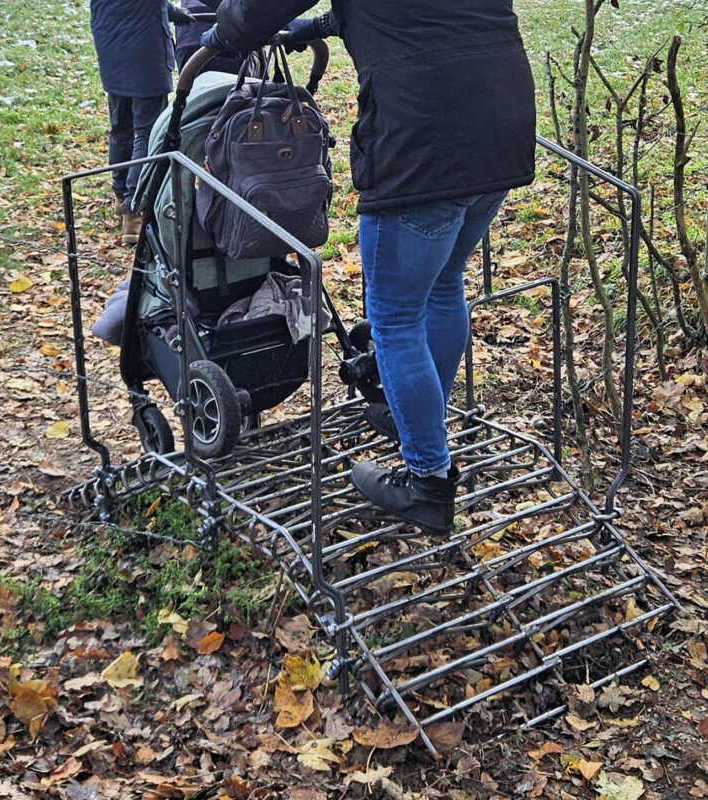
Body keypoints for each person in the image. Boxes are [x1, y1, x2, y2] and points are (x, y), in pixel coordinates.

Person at [203, 2, 536, 533]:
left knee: (397, 318)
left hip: (422, 136)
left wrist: (227, 29)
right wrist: (318, 27)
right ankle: (416, 418)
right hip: (502, 122)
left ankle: (427, 481)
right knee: (443, 286)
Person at [90, 0, 194, 245]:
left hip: (111, 45)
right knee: (148, 132)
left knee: (121, 129)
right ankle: (133, 210)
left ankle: (120, 196)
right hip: (145, 50)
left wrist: (170, 11)